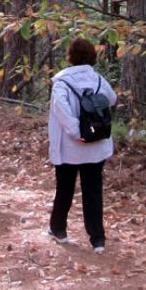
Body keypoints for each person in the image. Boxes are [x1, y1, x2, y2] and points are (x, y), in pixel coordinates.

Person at [47, 37, 117, 254]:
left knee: (65, 188)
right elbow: (112, 99)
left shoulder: (62, 82)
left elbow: (61, 110)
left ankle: (59, 230)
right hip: (97, 145)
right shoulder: (98, 80)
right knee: (93, 191)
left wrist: (78, 133)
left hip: (70, 147)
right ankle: (98, 239)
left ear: (70, 56)